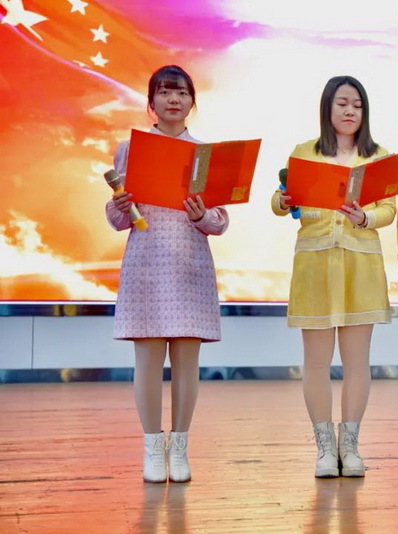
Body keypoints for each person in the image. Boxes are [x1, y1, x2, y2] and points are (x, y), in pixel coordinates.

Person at [106, 65, 229, 483]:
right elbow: (116, 218)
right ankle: (152, 449)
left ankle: (180, 448)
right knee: (147, 359)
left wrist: (202, 216)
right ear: (151, 102)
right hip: (146, 262)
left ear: (192, 101)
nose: (173, 99)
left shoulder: (205, 153)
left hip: (190, 264)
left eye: (181, 93)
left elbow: (220, 221)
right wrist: (120, 208)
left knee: (187, 361)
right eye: (164, 92)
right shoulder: (130, 149)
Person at [272, 75, 395, 478]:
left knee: (358, 362)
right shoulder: (304, 152)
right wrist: (283, 200)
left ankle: (350, 446)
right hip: (316, 266)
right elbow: (280, 201)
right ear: (327, 108)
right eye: (342, 103)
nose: (349, 111)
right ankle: (325, 448)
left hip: (361, 264)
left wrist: (365, 217)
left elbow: (389, 210)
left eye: (357, 105)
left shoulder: (379, 156)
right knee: (316, 362)